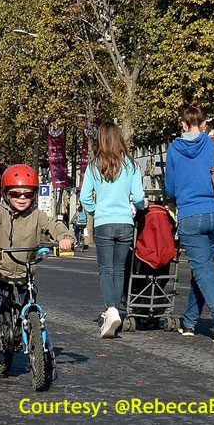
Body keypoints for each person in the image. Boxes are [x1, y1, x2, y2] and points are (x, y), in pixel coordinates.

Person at [0, 164, 74, 371]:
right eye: (16, 194)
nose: (22, 198)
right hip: (0, 273)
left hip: (26, 274)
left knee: (33, 310)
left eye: (28, 194)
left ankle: (40, 348)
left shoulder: (38, 215)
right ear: (6, 194)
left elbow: (55, 226)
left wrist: (66, 238)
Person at [165, 103, 214, 342]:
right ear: (204, 124)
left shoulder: (174, 149)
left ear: (183, 124)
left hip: (190, 216)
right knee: (203, 269)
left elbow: (170, 188)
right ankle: (189, 322)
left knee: (202, 269)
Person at [80, 122, 145, 338]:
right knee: (119, 271)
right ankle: (115, 312)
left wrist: (96, 210)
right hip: (125, 222)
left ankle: (111, 309)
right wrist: (139, 206)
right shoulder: (131, 165)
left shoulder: (94, 166)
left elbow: (84, 197)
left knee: (105, 270)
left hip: (103, 223)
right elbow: (139, 197)